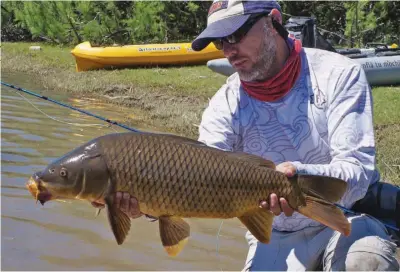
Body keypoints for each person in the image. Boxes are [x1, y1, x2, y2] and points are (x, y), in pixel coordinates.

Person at [96, 0, 399, 270]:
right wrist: (147, 201)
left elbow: (358, 172)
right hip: (275, 230)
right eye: (220, 42)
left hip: (344, 218)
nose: (229, 51)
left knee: (367, 261)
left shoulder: (338, 74)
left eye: (237, 35)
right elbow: (197, 179)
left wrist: (295, 179)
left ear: (274, 21)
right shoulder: (225, 103)